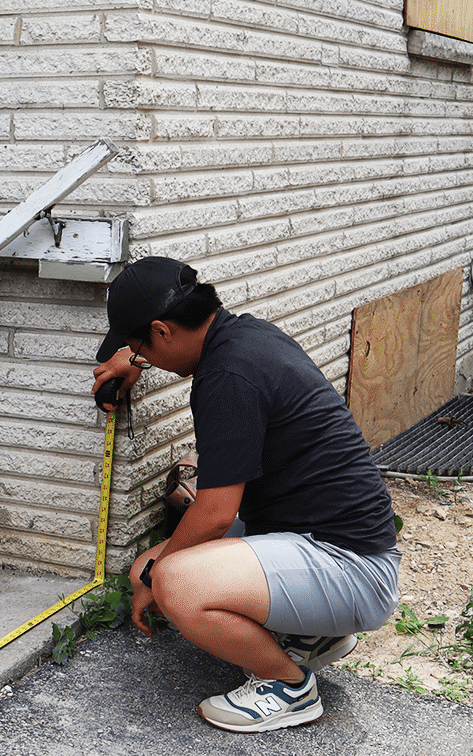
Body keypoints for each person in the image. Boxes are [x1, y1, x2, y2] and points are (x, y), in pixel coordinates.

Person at [92, 257, 400, 732]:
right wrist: (133, 357)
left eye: (140, 346)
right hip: (331, 542)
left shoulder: (227, 379)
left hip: (352, 570)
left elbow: (215, 513)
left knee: (173, 580)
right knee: (148, 566)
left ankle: (289, 686)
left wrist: (159, 577)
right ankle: (313, 636)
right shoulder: (247, 336)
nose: (143, 358)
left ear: (162, 330)